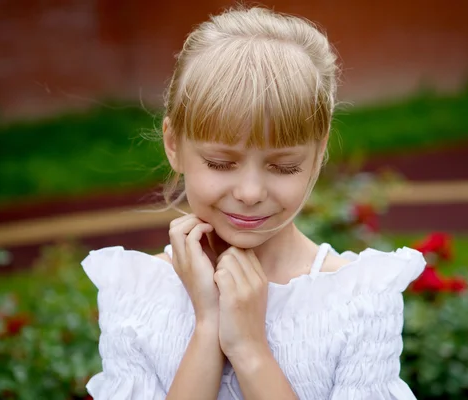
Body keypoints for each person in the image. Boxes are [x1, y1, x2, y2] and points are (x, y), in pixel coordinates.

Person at [82, 6, 426, 400]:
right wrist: (207, 326)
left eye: (283, 167)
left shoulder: (357, 301)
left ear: (319, 153)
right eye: (220, 163)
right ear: (174, 144)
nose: (250, 192)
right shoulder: (136, 296)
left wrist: (251, 351)